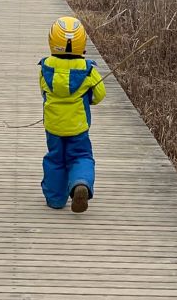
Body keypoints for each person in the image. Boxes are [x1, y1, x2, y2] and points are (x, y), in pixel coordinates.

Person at [38, 16, 106, 213]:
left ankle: (55, 199)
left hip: (53, 125)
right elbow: (100, 94)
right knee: (81, 156)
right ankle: (80, 183)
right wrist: (88, 99)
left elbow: (43, 90)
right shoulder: (88, 70)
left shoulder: (45, 68)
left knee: (55, 159)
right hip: (78, 126)